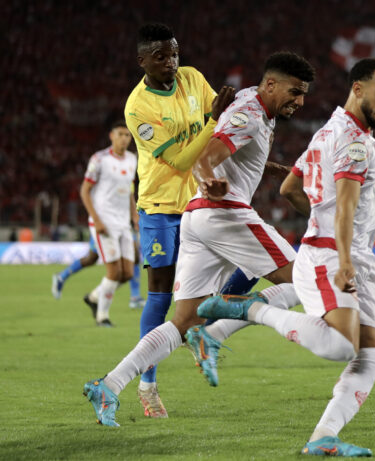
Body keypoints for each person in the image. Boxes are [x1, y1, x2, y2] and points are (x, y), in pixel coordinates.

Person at [82, 51, 315, 427]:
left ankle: (108, 385)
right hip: (224, 213)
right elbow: (207, 155)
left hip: (197, 217)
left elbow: (230, 151)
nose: (300, 102)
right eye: (295, 91)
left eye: (303, 94)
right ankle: (218, 331)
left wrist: (274, 170)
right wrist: (209, 176)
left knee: (184, 321)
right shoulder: (250, 113)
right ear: (270, 84)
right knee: (306, 280)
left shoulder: (251, 105)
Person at [198, 58, 375, 457]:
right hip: (333, 256)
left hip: (347, 251)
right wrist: (341, 255)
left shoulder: (328, 132)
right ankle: (251, 310)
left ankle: (323, 437)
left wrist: (321, 220)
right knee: (343, 346)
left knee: (372, 351)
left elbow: (291, 187)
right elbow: (343, 206)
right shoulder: (354, 142)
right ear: (357, 89)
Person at [84, 22, 234, 420]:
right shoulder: (138, 108)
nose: (172, 62)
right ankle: (148, 389)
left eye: (175, 53)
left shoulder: (192, 78)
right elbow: (182, 158)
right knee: (161, 296)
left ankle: (203, 334)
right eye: (161, 56)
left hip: (198, 204)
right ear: (142, 61)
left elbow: (213, 136)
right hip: (160, 208)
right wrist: (213, 122)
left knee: (228, 276)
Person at [77, 120, 139, 327]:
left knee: (128, 273)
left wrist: (134, 216)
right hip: (104, 221)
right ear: (111, 136)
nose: (124, 139)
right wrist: (96, 219)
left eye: (128, 135)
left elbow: (129, 191)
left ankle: (94, 296)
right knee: (114, 272)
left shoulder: (132, 159)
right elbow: (85, 191)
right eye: (121, 134)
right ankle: (102, 316)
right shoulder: (100, 159)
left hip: (123, 223)